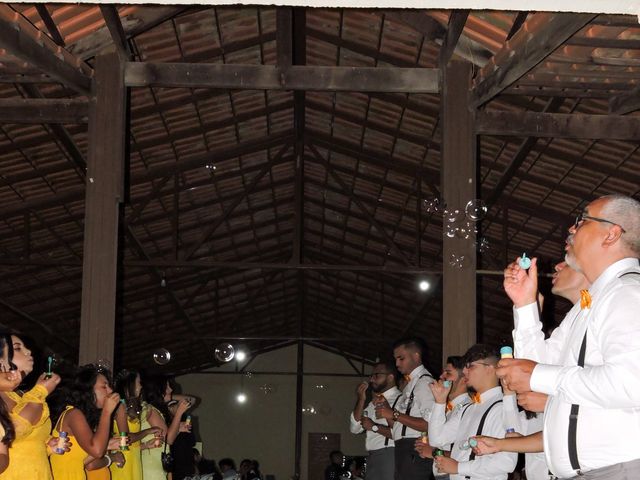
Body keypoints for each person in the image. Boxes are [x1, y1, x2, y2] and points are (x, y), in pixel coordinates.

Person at [498, 194, 640, 479]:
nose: (572, 229)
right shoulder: (589, 304)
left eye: (582, 220)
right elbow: (537, 366)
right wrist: (525, 305)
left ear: (611, 234)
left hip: (619, 469)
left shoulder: (627, 293)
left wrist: (541, 375)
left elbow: (632, 383)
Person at [502, 260, 590, 480]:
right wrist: (524, 305)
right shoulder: (574, 318)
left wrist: (553, 400)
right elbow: (532, 372)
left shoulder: (623, 297)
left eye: (568, 262)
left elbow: (625, 387)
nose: (558, 266)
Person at [428, 344, 517, 479]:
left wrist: (458, 467)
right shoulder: (467, 409)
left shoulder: (504, 407)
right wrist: (440, 402)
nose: (464, 371)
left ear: (491, 369)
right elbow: (436, 440)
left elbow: (506, 462)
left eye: (470, 366)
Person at [0, 333, 66, 480]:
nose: (28, 351)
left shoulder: (18, 396)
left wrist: (48, 446)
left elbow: (22, 444)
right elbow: (11, 431)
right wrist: (40, 392)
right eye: (18, 348)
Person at [374, 337, 435, 480]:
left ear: (416, 356)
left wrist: (394, 414)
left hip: (415, 446)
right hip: (403, 448)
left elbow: (429, 424)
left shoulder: (424, 383)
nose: (397, 363)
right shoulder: (410, 384)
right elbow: (398, 427)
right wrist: (387, 410)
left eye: (401, 358)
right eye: (395, 359)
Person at [50, 364, 124, 480]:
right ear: (88, 390)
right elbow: (97, 451)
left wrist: (107, 445)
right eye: (104, 387)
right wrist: (106, 412)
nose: (110, 390)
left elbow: (82, 461)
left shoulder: (82, 416)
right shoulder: (73, 414)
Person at [415, 355, 470, 479]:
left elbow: (467, 453)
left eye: (448, 373)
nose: (441, 377)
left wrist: (433, 451)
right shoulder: (447, 407)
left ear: (464, 379)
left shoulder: (467, 407)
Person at [349, 359, 401, 480]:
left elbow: (401, 434)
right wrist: (361, 399)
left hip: (390, 454)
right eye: (371, 376)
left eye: (376, 375)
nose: (372, 379)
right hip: (373, 455)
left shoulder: (400, 400)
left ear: (390, 377)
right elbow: (355, 428)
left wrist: (373, 427)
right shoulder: (373, 402)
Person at [141, 374, 189, 480]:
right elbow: (168, 439)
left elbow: (164, 436)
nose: (170, 389)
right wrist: (179, 413)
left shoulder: (151, 409)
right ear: (158, 390)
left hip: (154, 462)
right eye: (167, 386)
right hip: (152, 464)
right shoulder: (151, 410)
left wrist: (178, 428)